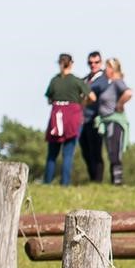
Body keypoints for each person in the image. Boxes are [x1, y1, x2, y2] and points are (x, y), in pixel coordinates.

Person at [44, 53, 86, 185]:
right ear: (71, 64)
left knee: (52, 154)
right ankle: (65, 183)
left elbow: (49, 99)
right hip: (72, 118)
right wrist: (80, 103)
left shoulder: (55, 80)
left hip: (57, 117)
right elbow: (91, 96)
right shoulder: (76, 81)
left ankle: (47, 182)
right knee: (68, 154)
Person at [92, 57, 134, 185]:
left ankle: (117, 181)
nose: (105, 69)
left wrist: (120, 104)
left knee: (114, 151)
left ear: (113, 69)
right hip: (107, 121)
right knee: (111, 151)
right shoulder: (111, 83)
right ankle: (114, 181)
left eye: (108, 67)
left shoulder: (117, 82)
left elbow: (128, 93)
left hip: (114, 122)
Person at [79, 50, 109, 182]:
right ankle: (92, 178)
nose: (93, 65)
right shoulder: (85, 79)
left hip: (95, 119)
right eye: (90, 62)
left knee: (95, 151)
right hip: (82, 120)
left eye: (96, 62)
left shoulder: (104, 80)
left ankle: (97, 180)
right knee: (85, 151)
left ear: (100, 62)